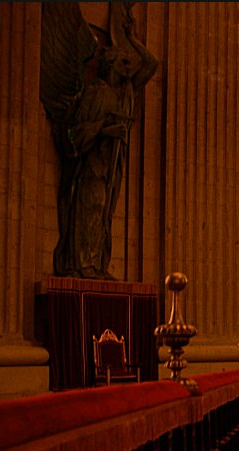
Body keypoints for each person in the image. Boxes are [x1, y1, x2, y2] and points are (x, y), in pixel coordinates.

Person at [43, 3, 158, 279]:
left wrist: (130, 38)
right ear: (110, 65)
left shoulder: (125, 93)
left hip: (110, 166)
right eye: (123, 63)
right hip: (89, 166)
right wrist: (105, 130)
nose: (128, 68)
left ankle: (95, 264)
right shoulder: (96, 92)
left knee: (102, 214)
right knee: (89, 209)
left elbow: (151, 64)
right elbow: (75, 133)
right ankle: (82, 264)